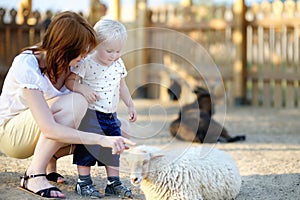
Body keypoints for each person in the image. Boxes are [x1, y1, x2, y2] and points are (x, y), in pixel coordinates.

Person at [0, 11, 135, 199]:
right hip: (12, 135)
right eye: (82, 52)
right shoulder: (28, 64)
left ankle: (50, 164)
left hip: (38, 130)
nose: (86, 56)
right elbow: (49, 129)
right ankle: (34, 175)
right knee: (76, 103)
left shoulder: (70, 66)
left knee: (118, 127)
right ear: (65, 49)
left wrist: (115, 129)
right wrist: (101, 139)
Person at [65, 18, 137, 199]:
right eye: (109, 51)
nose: (114, 56)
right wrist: (82, 88)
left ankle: (113, 182)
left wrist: (130, 104)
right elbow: (70, 81)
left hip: (111, 115)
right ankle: (83, 182)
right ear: (96, 45)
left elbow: (122, 86)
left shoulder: (118, 64)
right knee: (88, 148)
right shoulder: (87, 62)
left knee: (114, 148)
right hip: (91, 114)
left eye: (118, 51)